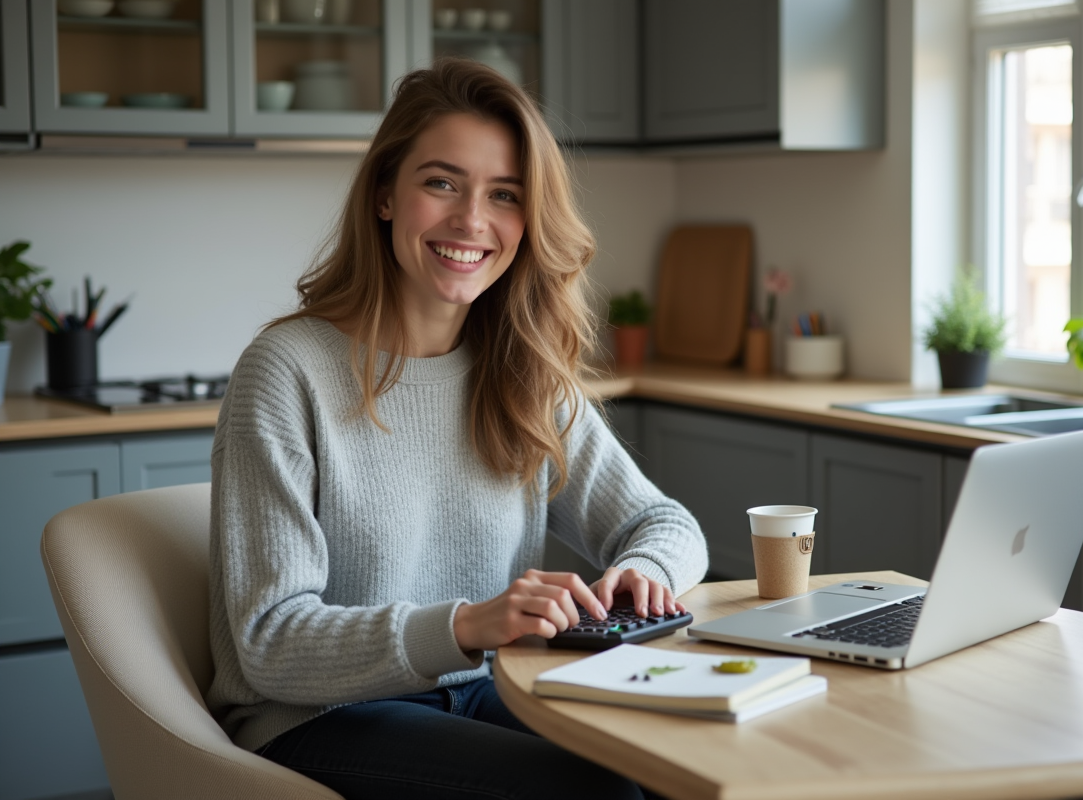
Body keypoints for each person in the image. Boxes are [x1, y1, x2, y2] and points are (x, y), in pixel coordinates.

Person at [205, 58, 709, 800]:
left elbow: (664, 522)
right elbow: (269, 645)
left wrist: (648, 573)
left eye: (504, 195)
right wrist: (468, 625)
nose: (472, 221)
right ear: (384, 193)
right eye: (441, 182)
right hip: (318, 717)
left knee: (683, 765)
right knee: (589, 792)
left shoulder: (520, 368)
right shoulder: (287, 370)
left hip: (482, 690)